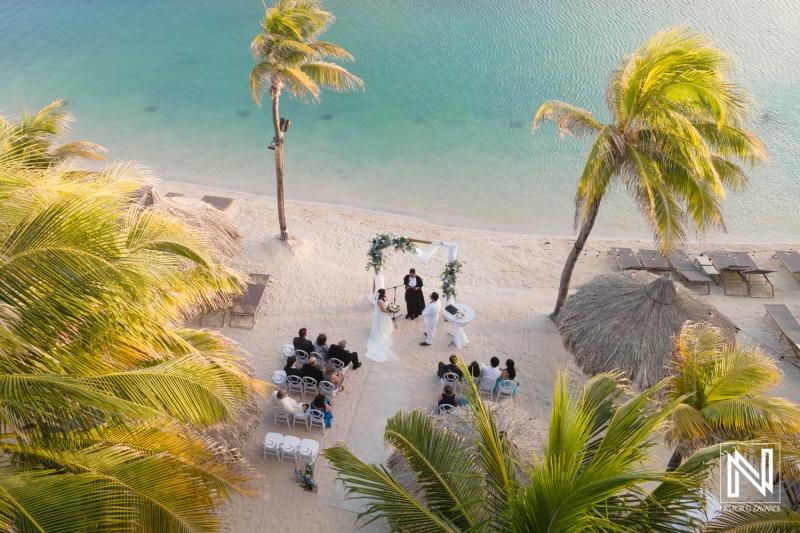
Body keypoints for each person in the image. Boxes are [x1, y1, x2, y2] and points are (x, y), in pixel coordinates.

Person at [365, 288, 398, 363]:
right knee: (382, 324)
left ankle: (387, 331)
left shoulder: (385, 297)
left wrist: (391, 307)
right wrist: (391, 310)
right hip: (382, 314)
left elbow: (388, 304)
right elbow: (383, 310)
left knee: (387, 323)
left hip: (386, 314)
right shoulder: (380, 301)